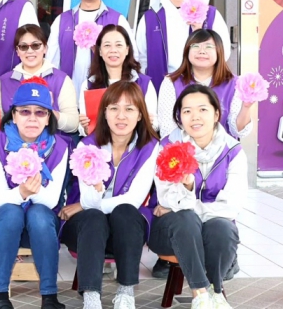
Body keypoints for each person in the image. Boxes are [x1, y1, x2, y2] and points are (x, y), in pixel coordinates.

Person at [60, 81, 159, 309]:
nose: (121, 116)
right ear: (104, 113)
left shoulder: (151, 147)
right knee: (94, 217)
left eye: (129, 109)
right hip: (85, 229)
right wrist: (90, 199)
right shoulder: (87, 147)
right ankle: (91, 298)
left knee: (126, 211)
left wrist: (85, 204)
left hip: (126, 230)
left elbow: (134, 199)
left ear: (140, 115)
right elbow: (89, 202)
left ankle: (126, 294)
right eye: (114, 108)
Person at [149, 84, 245, 309]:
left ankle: (213, 292)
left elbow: (232, 206)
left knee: (223, 227)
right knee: (185, 219)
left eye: (202, 109)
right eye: (187, 111)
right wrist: (189, 187)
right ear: (179, 117)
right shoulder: (167, 149)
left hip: (211, 227)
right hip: (170, 232)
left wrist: (188, 205)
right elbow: (166, 199)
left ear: (216, 114)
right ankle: (201, 294)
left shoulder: (233, 151)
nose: (195, 117)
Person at [0, 82, 68, 309]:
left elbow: (52, 200)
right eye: (25, 111)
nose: (32, 118)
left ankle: (50, 297)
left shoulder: (59, 147)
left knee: (39, 214)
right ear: (14, 115)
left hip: (39, 228)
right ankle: (0, 297)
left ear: (48, 118)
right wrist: (22, 192)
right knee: (11, 212)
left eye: (40, 112)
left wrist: (31, 192)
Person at [135, 0, 230, 93]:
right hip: (160, 86)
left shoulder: (210, 14)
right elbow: (141, 57)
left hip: (202, 87)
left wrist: (199, 30)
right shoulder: (150, 18)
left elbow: (224, 51)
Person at [47, 0, 135, 102]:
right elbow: (52, 62)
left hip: (107, 98)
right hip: (68, 98)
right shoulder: (62, 20)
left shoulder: (118, 20)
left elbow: (131, 58)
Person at [0, 24, 78, 143]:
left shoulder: (61, 79)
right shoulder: (5, 80)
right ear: (17, 51)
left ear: (45, 48)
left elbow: (73, 124)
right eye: (24, 47)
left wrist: (47, 111)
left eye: (36, 45)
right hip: (12, 148)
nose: (30, 51)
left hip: (52, 148)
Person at [157, 29, 251, 140]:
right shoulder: (171, 82)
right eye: (195, 46)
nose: (201, 51)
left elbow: (238, 131)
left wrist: (246, 107)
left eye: (209, 47)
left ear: (219, 52)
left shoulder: (236, 83)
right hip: (183, 148)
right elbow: (167, 129)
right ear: (187, 51)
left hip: (222, 148)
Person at [78, 25, 158, 136]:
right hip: (99, 143)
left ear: (127, 50)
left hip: (135, 143)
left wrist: (148, 122)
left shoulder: (143, 83)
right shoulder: (89, 84)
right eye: (107, 45)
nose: (113, 50)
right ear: (100, 51)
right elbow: (84, 127)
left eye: (119, 45)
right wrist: (85, 128)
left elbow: (154, 124)